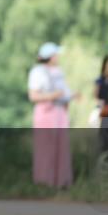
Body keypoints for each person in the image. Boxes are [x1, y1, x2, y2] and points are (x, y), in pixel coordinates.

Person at [27, 43, 77, 188]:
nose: (58, 57)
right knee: (45, 149)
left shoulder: (58, 71)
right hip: (45, 113)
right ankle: (44, 183)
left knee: (61, 148)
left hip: (59, 113)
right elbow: (33, 96)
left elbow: (63, 92)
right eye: (56, 55)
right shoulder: (37, 72)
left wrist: (70, 97)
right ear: (50, 57)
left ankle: (62, 183)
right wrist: (53, 95)